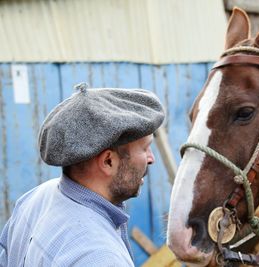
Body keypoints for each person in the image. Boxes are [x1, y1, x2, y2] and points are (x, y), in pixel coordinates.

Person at [0, 82, 165, 266]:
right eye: (145, 148)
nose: (151, 159)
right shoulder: (100, 258)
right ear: (108, 161)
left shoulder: (35, 199)